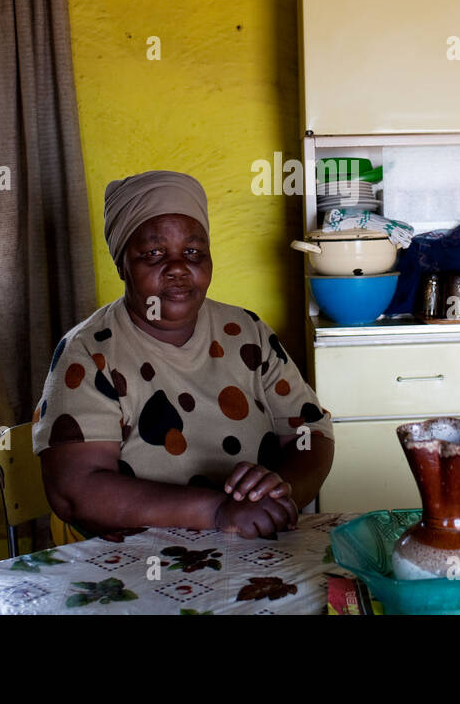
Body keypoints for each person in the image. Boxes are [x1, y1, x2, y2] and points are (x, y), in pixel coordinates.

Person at [34, 170, 335, 539]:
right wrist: (218, 512)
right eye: (153, 254)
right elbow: (75, 489)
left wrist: (278, 492)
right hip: (138, 563)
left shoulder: (248, 333)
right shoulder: (90, 352)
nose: (178, 268)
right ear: (121, 265)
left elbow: (310, 434)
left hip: (251, 549)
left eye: (193, 252)